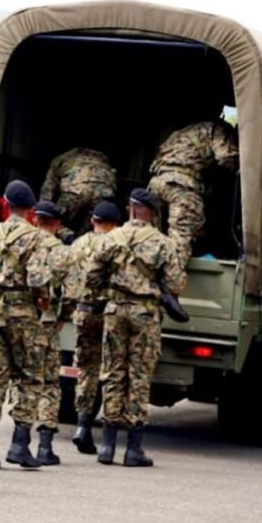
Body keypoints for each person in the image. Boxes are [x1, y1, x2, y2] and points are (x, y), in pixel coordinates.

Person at [83, 189, 186, 467]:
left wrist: (112, 286)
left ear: (130, 209)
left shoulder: (110, 238)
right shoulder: (163, 244)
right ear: (153, 213)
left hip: (115, 311)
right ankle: (133, 449)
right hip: (144, 314)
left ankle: (106, 447)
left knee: (113, 373)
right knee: (138, 376)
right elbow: (175, 285)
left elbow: (91, 276)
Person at [0, 180, 52, 470]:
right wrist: (42, 299)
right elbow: (37, 279)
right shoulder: (35, 238)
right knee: (29, 376)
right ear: (31, 210)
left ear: (6, 204)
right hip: (22, 313)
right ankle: (20, 445)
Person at [65, 201, 121, 454]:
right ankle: (110, 436)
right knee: (112, 370)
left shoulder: (78, 245)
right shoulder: (117, 245)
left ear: (92, 221)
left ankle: (83, 425)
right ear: (117, 224)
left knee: (86, 370)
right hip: (109, 314)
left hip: (83, 313)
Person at [147, 119, 238, 263]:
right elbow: (226, 158)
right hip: (181, 186)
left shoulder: (182, 133)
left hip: (155, 184)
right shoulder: (217, 129)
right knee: (179, 246)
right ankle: (171, 282)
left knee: (150, 241)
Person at [31, 200, 73, 466]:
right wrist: (62, 317)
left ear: (36, 220)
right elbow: (71, 293)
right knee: (48, 383)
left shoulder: (23, 244)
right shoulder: (62, 253)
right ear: (57, 224)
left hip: (21, 321)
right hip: (48, 323)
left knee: (21, 380)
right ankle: (45, 446)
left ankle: (16, 441)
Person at [40, 148, 117, 237]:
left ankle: (68, 238)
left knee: (51, 221)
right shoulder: (102, 158)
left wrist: (41, 212)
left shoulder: (59, 161)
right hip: (105, 191)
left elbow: (47, 192)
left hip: (75, 190)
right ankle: (83, 242)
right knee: (91, 228)